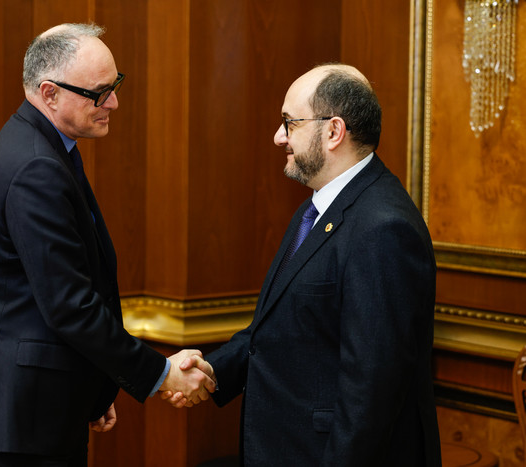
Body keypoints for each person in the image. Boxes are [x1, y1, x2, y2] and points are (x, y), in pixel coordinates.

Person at [0, 23, 214, 467]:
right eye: (99, 93)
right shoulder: (35, 166)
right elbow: (70, 306)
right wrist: (162, 372)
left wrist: (94, 389)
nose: (114, 103)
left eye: (115, 85)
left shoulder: (46, 148)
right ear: (49, 94)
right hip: (15, 423)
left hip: (37, 410)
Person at [168, 64, 441, 466]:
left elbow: (371, 394)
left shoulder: (383, 228)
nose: (279, 137)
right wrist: (211, 370)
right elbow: (277, 329)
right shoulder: (315, 210)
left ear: (333, 131)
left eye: (289, 123)